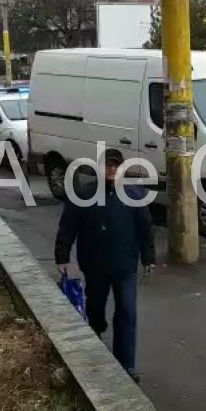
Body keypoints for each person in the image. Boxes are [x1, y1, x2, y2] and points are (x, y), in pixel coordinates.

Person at [54, 149, 155, 383]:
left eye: (116, 165)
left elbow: (145, 228)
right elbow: (67, 227)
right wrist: (62, 256)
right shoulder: (83, 194)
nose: (111, 169)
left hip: (125, 266)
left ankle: (126, 364)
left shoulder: (134, 195)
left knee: (127, 312)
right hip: (95, 265)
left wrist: (148, 258)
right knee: (96, 306)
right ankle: (97, 331)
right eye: (107, 165)